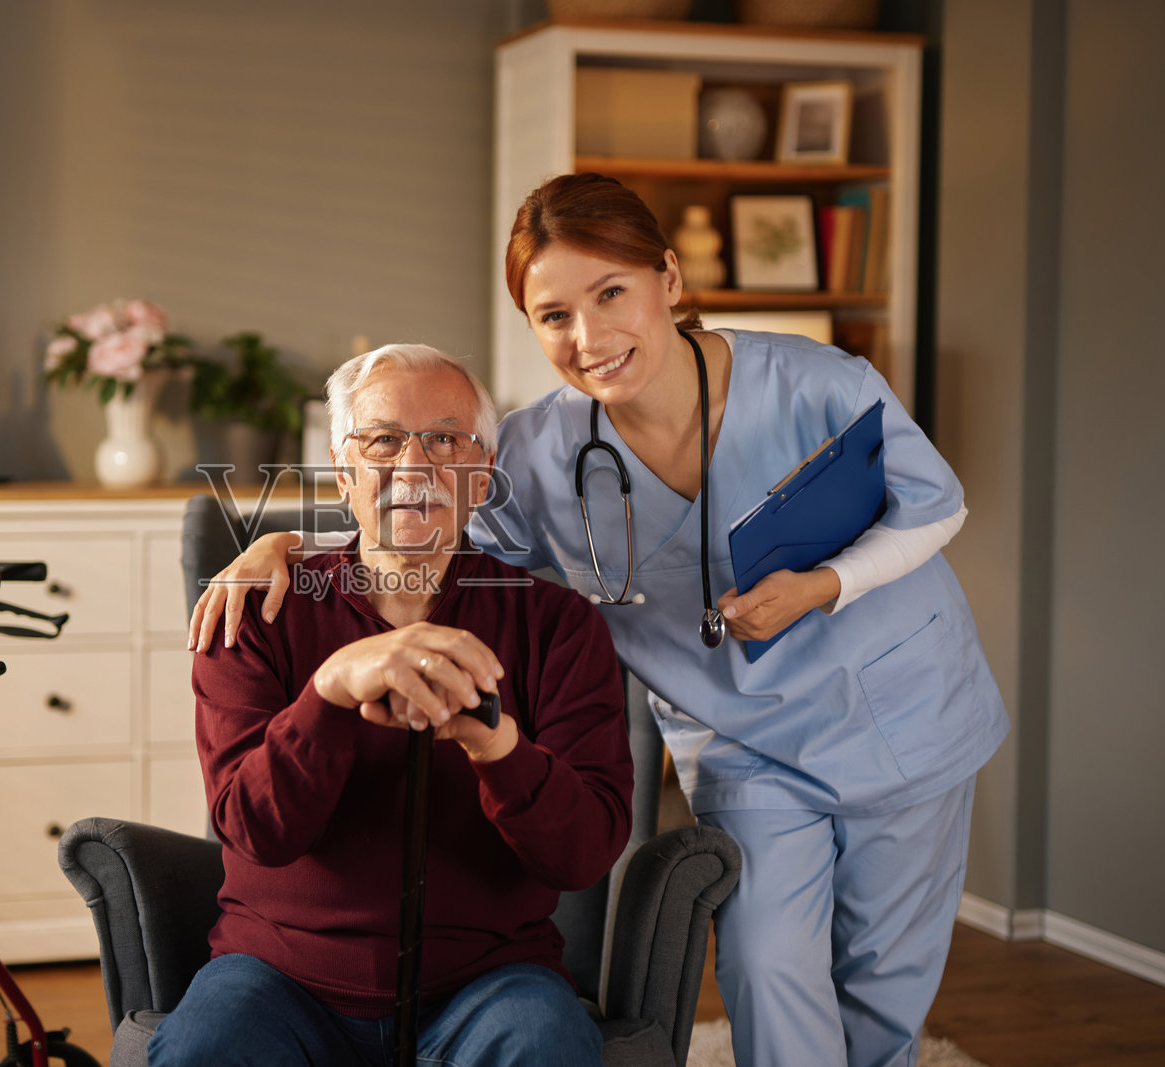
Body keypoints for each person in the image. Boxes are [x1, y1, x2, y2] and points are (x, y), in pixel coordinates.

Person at [188, 174, 1010, 1067]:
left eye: (611, 293)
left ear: (669, 279)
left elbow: (936, 506)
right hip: (745, 739)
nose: (589, 338)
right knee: (769, 967)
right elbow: (421, 517)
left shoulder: (815, 381)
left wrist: (824, 584)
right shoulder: (541, 449)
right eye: (553, 314)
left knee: (886, 983)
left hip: (902, 711)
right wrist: (287, 544)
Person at [152, 344, 633, 1067]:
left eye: (444, 438)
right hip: (277, 977)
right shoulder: (254, 612)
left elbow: (586, 852)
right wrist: (328, 692)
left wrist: (498, 749)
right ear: (344, 475)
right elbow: (256, 829)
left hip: (492, 980)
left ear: (483, 476)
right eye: (382, 439)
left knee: (547, 1046)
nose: (414, 466)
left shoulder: (559, 624)